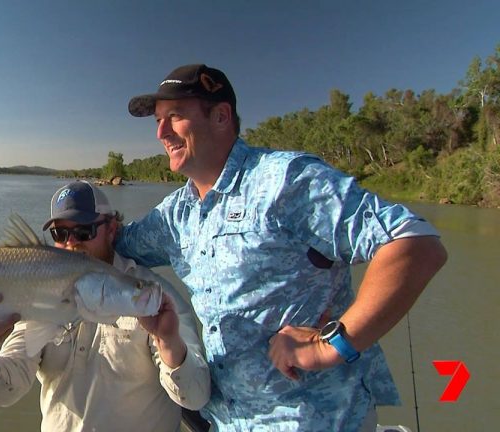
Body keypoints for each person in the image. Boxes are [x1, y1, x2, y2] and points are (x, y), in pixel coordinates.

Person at [115, 64, 448, 431]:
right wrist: (77, 229)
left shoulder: (285, 180)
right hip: (228, 421)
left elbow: (414, 242)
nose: (161, 132)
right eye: (158, 121)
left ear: (221, 116)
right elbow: (114, 244)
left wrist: (332, 343)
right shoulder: (176, 214)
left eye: (174, 117)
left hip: (315, 420)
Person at [0, 180, 211, 432]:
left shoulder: (152, 296)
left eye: (84, 231)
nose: (71, 243)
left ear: (111, 228)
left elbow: (196, 395)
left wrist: (167, 342)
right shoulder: (39, 293)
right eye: (60, 233)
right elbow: (6, 391)